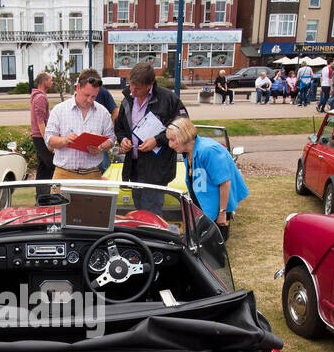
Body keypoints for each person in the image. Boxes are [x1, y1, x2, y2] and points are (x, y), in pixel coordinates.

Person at [115, 60, 187, 211]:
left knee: (152, 215)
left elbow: (183, 126)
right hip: (134, 167)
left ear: (150, 85)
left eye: (137, 88)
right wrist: (123, 140)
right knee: (139, 212)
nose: (132, 90)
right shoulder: (128, 99)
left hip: (156, 169)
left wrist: (157, 140)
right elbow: (119, 127)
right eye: (131, 85)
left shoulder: (169, 99)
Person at [166, 117, 249, 239]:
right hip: (203, 208)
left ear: (184, 136)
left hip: (215, 211)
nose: (170, 144)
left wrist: (222, 213)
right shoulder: (187, 152)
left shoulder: (208, 150)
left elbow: (225, 182)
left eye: (173, 140)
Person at [45, 69, 115, 180]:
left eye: (94, 96)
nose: (89, 100)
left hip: (92, 175)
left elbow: (111, 138)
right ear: (78, 87)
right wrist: (64, 140)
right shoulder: (59, 110)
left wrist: (101, 147)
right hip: (63, 174)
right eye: (86, 95)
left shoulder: (103, 112)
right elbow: (49, 139)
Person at [30, 71, 54, 179]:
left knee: (43, 167)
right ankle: (51, 192)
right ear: (44, 81)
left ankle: (41, 193)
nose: (52, 82)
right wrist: (47, 140)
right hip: (40, 136)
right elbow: (40, 121)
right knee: (52, 165)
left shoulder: (38, 96)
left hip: (38, 136)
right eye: (50, 80)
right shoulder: (40, 98)